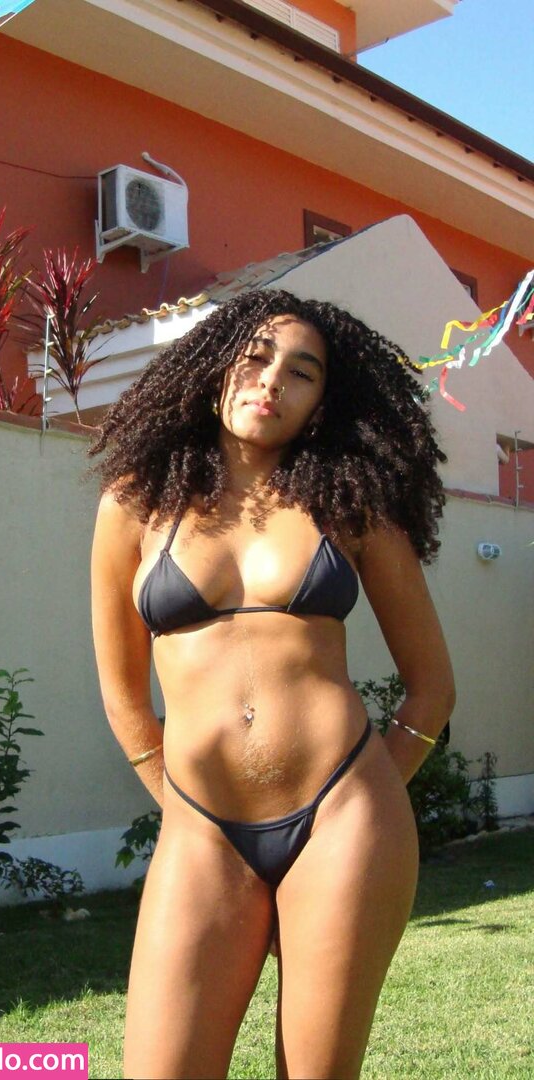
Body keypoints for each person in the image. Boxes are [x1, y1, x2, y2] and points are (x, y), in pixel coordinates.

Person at [88, 288, 456, 1080]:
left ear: (323, 400)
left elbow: (431, 687)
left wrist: (364, 800)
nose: (271, 381)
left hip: (344, 817)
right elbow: (123, 693)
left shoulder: (351, 505)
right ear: (216, 368)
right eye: (256, 358)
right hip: (201, 828)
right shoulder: (135, 504)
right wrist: (181, 804)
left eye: (301, 372)